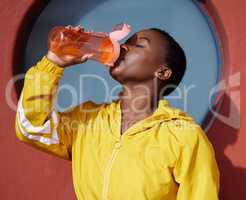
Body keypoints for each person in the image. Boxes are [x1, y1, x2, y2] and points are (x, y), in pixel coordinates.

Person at [15, 25, 220, 200]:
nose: (123, 46)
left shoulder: (183, 136)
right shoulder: (87, 120)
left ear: (162, 72)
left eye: (139, 44)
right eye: (126, 41)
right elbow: (32, 127)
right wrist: (53, 63)